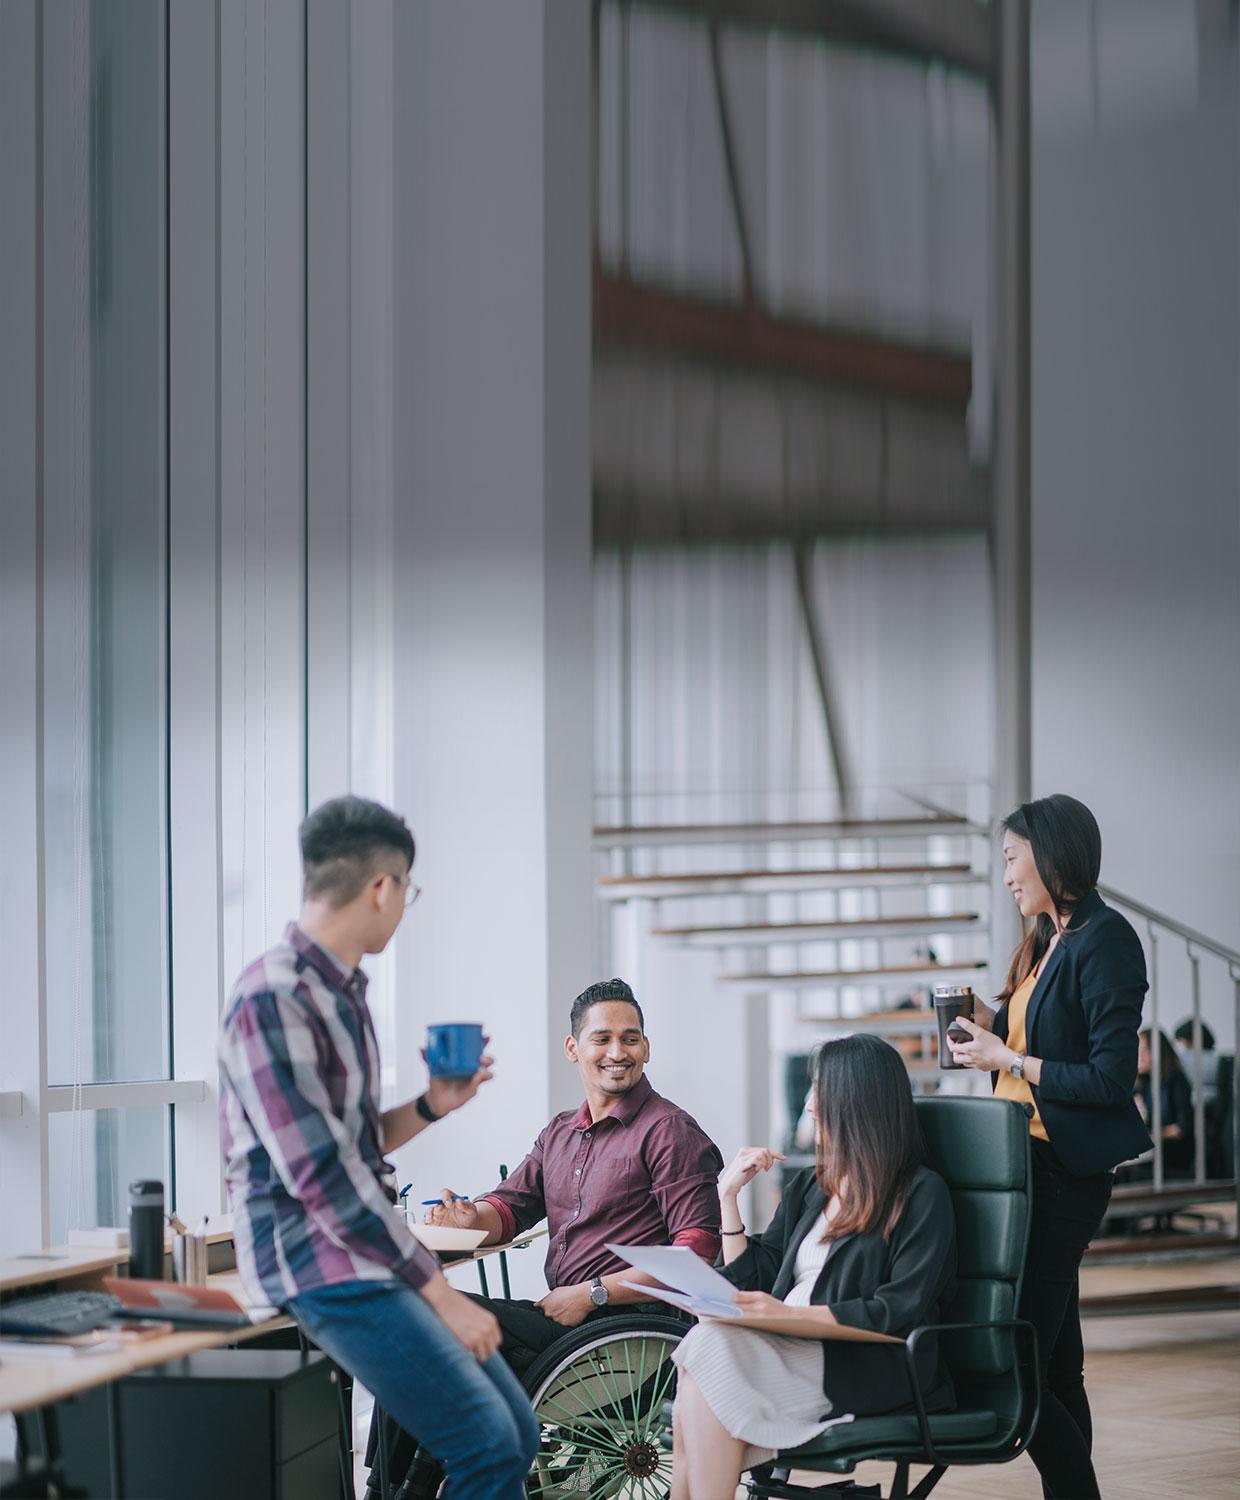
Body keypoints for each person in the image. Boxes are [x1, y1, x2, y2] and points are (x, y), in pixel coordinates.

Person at [218, 795, 539, 1500]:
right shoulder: (271, 998)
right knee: (487, 1441)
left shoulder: (342, 994)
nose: (402, 907)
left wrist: (432, 1105)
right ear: (383, 887)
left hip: (362, 1253)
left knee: (515, 1434)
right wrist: (441, 1294)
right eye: (408, 892)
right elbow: (324, 1179)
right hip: (316, 1263)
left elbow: (354, 1142)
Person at [948, 793, 1149, 1500]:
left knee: (1020, 1357)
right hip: (1020, 1166)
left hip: (1060, 1172)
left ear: (1051, 851)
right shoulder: (1048, 938)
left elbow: (1109, 1077)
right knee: (1057, 1365)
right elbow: (1033, 1035)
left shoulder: (1107, 939)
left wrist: (1007, 1058)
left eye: (1010, 858)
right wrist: (986, 1022)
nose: (1005, 875)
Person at [670, 1033, 957, 1500]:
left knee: (704, 1362)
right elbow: (758, 1276)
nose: (809, 1107)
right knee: (705, 1345)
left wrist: (783, 1316)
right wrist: (728, 1198)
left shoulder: (921, 1194)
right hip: (784, 1345)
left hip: (862, 1363)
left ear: (856, 1104)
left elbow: (898, 1310)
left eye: (820, 1094)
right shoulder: (812, 1187)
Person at [428, 977, 724, 1365]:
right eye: (601, 1039)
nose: (617, 1052)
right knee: (425, 1317)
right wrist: (469, 1220)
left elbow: (696, 1254)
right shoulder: (559, 1133)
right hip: (567, 1322)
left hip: (624, 1330)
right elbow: (510, 1208)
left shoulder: (668, 1131)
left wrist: (593, 1293)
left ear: (646, 1048)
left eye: (630, 1039)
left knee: (433, 1316)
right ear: (573, 1048)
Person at [1136, 1028, 1195, 1178]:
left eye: (1143, 1051)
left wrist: (1152, 1135)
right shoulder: (1144, 1083)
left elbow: (1183, 1128)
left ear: (1157, 1052)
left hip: (1174, 1151)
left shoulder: (1176, 1079)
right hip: (1154, 1147)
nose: (1138, 1057)